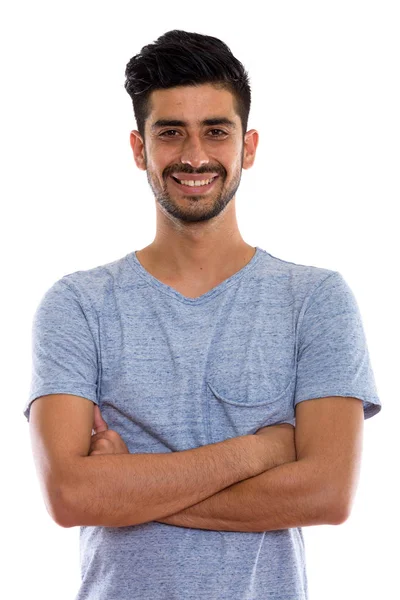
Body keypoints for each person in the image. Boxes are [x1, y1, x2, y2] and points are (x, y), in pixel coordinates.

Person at [24, 29, 381, 600]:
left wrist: (128, 489)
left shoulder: (315, 300)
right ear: (140, 148)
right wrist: (261, 451)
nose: (194, 156)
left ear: (249, 146)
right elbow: (71, 496)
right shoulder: (78, 305)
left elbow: (328, 495)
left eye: (216, 131)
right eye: (171, 133)